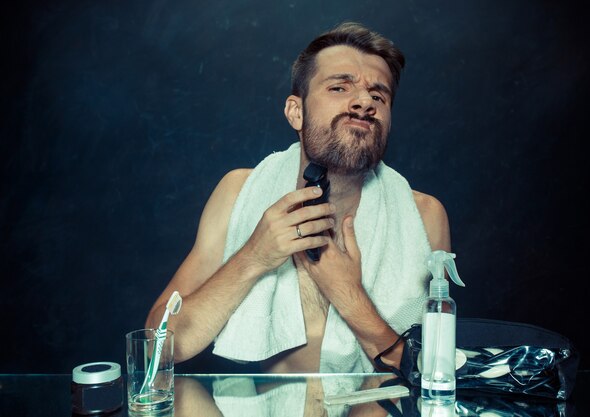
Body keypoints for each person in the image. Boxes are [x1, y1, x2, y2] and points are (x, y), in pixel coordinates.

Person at [145, 21, 451, 373]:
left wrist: (349, 296)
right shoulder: (238, 193)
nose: (364, 102)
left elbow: (437, 373)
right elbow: (156, 347)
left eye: (378, 96)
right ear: (296, 111)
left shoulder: (424, 217)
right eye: (339, 87)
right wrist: (254, 256)